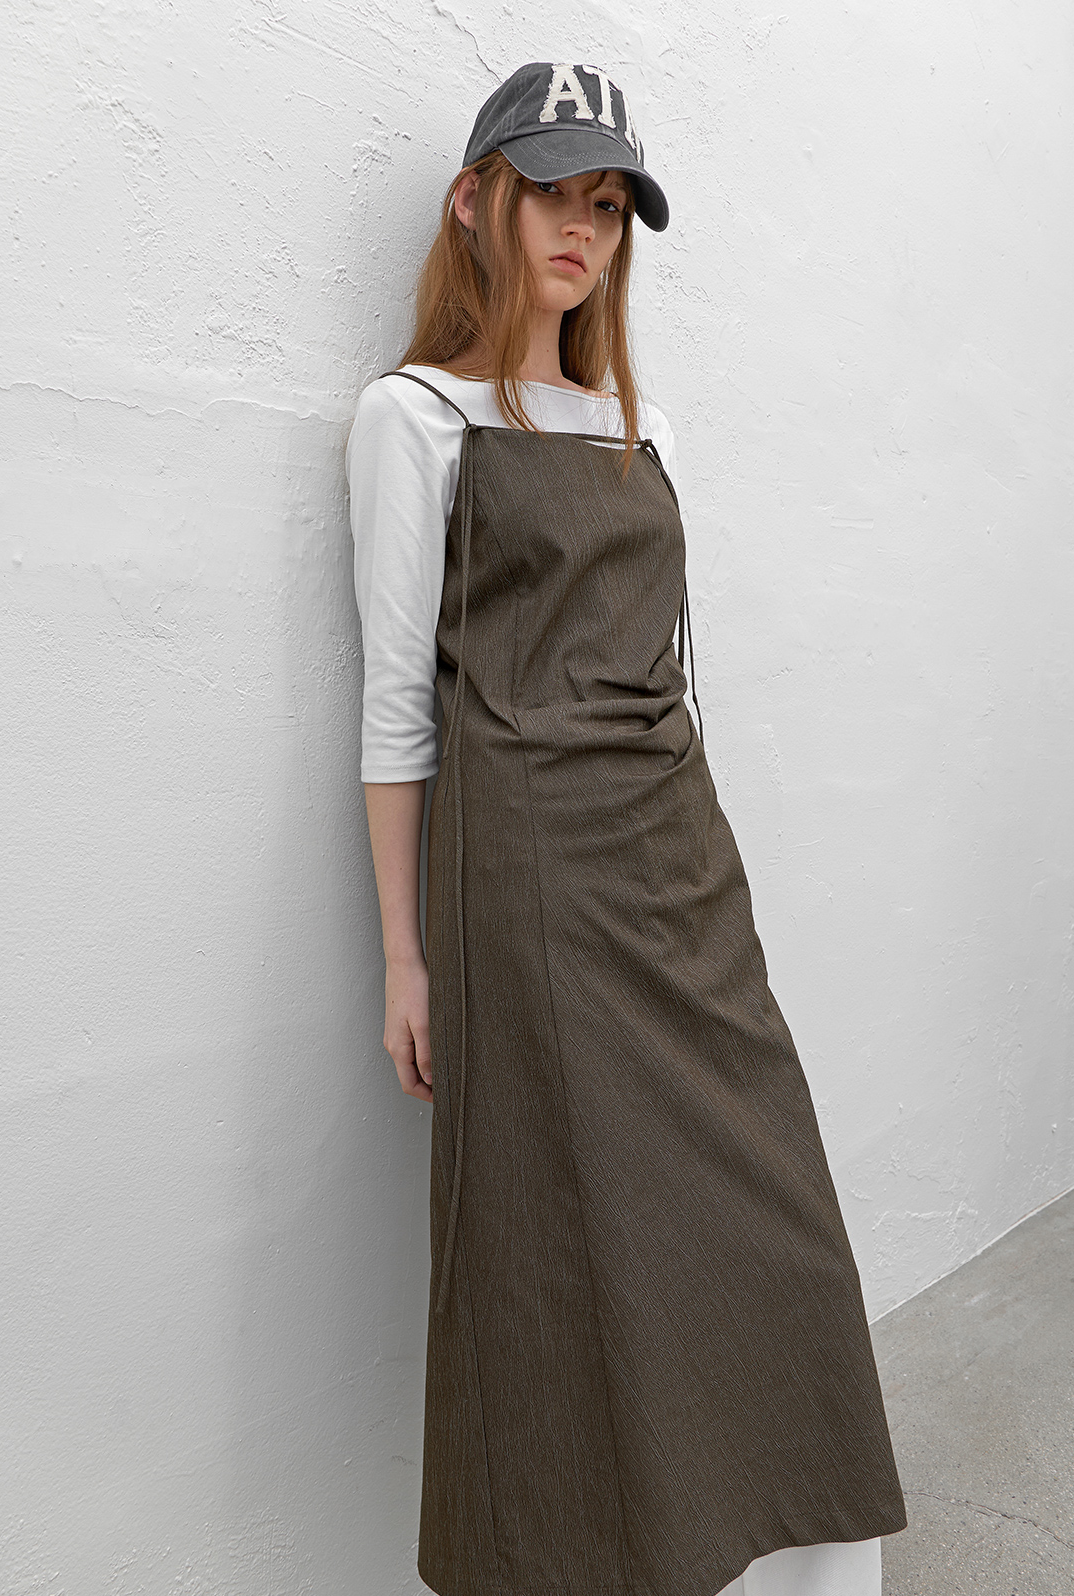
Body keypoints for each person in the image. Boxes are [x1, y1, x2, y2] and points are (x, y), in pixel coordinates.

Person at [346, 59, 908, 1596]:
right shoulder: (414, 420)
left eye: (607, 204)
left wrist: (705, 872)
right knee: (560, 1254)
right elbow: (397, 709)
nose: (582, 229)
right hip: (527, 881)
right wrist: (405, 958)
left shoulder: (639, 428)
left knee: (771, 1231)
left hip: (677, 863)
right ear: (476, 202)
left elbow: (666, 664)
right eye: (554, 192)